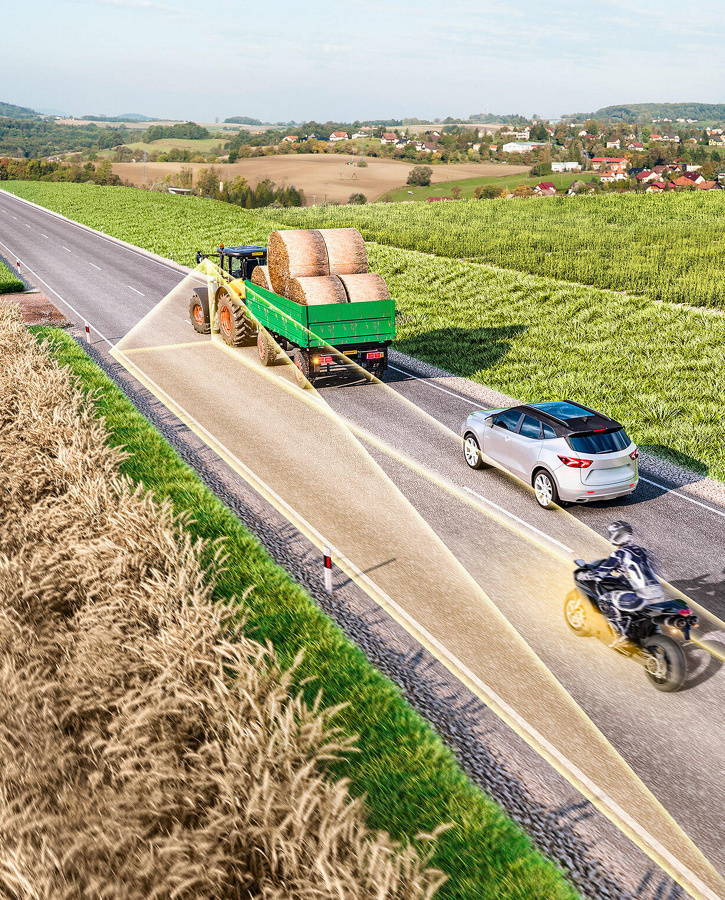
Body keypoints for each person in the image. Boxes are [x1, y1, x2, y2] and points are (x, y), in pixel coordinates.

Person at [588, 521, 664, 649]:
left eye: (611, 533)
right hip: (659, 593)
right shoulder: (642, 550)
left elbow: (601, 572)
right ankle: (654, 637)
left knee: (605, 599)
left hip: (642, 597)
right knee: (648, 616)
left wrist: (587, 575)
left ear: (615, 535)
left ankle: (621, 636)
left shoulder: (619, 553)